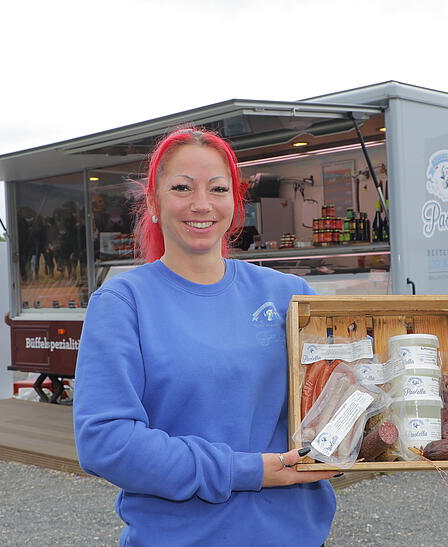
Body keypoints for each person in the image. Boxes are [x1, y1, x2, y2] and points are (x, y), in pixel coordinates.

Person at [73, 128, 338, 547]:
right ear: (154, 202)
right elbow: (106, 442)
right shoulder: (124, 302)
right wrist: (244, 470)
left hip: (297, 536)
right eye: (182, 187)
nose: (201, 204)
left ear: (235, 202)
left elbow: (346, 397)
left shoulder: (289, 295)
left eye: (217, 189)